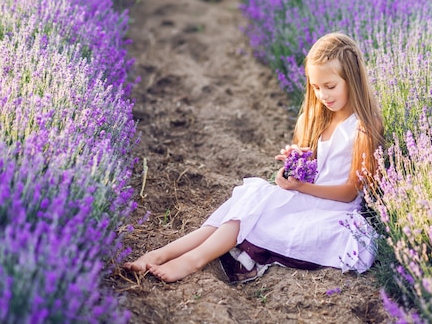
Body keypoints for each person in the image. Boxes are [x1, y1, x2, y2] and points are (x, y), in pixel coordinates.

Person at [123, 32, 385, 283]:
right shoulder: (316, 118)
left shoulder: (362, 126)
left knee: (252, 206)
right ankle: (161, 254)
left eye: (330, 86)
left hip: (332, 212)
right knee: (248, 202)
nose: (322, 95)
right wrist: (294, 165)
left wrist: (301, 186)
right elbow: (313, 168)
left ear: (352, 79)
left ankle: (193, 259)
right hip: (306, 199)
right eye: (315, 87)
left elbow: (350, 192)